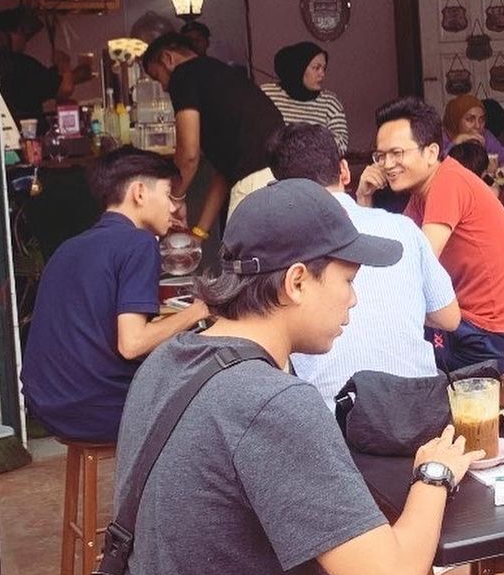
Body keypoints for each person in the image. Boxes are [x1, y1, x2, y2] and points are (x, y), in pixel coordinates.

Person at [115, 178, 480, 575]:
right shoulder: (271, 402)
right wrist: (434, 476)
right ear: (297, 281)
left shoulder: (168, 360)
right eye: (347, 281)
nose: (354, 299)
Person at [20, 147, 208, 442]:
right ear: (140, 193)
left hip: (47, 405)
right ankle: (161, 489)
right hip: (98, 408)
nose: (174, 208)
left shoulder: (70, 246)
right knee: (207, 393)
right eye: (169, 194)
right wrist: (198, 311)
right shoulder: (140, 243)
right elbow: (132, 344)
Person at [268, 125, 459, 409]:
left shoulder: (280, 245)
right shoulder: (402, 228)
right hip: (419, 412)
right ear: (344, 171)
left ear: (281, 189)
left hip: (334, 422)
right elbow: (449, 318)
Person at [356, 97, 504, 371]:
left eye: (397, 153)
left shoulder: (448, 182)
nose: (387, 165)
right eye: (381, 156)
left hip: (489, 335)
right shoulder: (422, 192)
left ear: (431, 152)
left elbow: (415, 265)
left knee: (387, 354)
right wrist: (364, 197)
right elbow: (386, 251)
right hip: (469, 325)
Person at [142, 32, 284, 233]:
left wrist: (173, 200)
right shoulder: (222, 74)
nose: (164, 87)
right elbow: (226, 171)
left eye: (158, 78)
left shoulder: (183, 75)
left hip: (254, 187)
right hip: (283, 178)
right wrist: (200, 232)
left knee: (246, 260)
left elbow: (188, 154)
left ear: (168, 59)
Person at [0, 6, 93, 121]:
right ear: (3, 36)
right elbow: (65, 88)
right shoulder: (21, 64)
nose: (25, 37)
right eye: (20, 31)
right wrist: (64, 62)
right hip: (26, 131)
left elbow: (49, 81)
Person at [261, 41, 350, 155]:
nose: (322, 74)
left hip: (314, 169)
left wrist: (304, 150)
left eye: (324, 68)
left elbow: (341, 143)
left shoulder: (330, 102)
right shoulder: (267, 94)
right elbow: (256, 134)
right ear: (299, 68)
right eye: (316, 68)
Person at [441, 94, 504, 166]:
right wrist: (455, 143)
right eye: (470, 119)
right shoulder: (440, 138)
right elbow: (438, 169)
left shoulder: (484, 135)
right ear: (456, 120)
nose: (477, 126)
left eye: (481, 120)